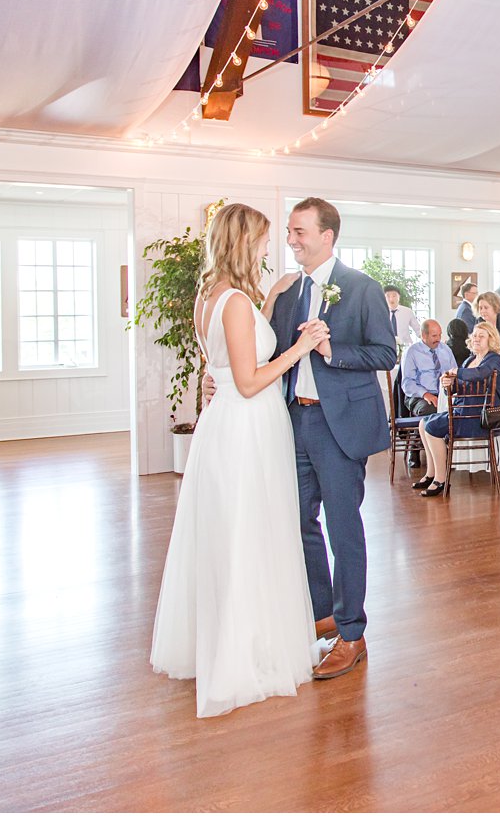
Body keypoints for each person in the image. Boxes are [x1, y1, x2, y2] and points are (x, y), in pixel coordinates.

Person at [151, 204, 328, 718]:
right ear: (242, 241)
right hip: (248, 424)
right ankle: (247, 654)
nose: (269, 248)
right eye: (263, 240)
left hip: (225, 422)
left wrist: (270, 300)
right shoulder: (231, 303)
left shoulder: (211, 298)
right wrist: (300, 348)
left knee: (233, 532)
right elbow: (249, 380)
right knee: (250, 532)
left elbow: (224, 366)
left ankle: (232, 639)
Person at [260, 197, 394, 680]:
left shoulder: (361, 288)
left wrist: (331, 348)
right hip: (295, 419)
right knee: (298, 520)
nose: (291, 239)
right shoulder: (291, 291)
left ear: (326, 236)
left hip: (340, 426)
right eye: (290, 232)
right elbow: (270, 351)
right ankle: (323, 614)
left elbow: (385, 353)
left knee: (343, 527)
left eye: (299, 231)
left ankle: (352, 633)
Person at [417, 322, 500, 497]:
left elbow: (481, 373)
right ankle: (431, 473)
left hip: (480, 418)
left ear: (491, 339)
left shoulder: (494, 359)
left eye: (482, 336)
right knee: (423, 423)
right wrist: (447, 384)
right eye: (474, 335)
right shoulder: (469, 360)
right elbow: (457, 387)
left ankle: (441, 480)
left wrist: (456, 372)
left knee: (432, 427)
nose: (476, 339)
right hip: (463, 413)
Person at [400, 320, 456, 418]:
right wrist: (425, 394)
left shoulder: (446, 349)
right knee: (432, 409)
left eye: (440, 335)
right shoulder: (412, 352)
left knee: (461, 407)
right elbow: (407, 383)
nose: (438, 339)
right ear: (423, 335)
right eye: (434, 336)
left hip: (444, 394)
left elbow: (455, 372)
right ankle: (425, 433)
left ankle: (452, 433)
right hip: (420, 396)